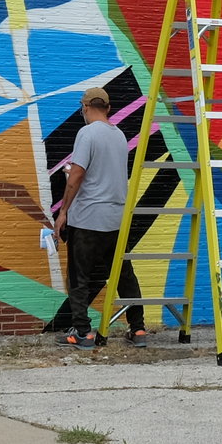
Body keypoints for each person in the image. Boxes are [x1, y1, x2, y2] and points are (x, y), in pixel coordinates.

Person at [52, 89, 144, 347]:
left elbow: (78, 174)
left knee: (79, 278)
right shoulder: (119, 136)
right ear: (109, 107)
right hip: (116, 218)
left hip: (88, 218)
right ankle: (138, 330)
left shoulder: (87, 133)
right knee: (124, 275)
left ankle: (82, 332)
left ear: (85, 107)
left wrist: (63, 212)